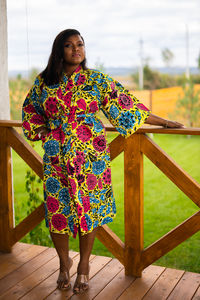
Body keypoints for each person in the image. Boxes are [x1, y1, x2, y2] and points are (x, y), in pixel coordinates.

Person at [22, 28, 184, 294]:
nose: (76, 49)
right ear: (58, 51)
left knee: (89, 210)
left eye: (80, 44)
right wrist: (39, 129)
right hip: (57, 156)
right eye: (69, 45)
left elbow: (127, 106)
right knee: (57, 211)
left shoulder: (97, 81)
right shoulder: (44, 82)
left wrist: (165, 122)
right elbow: (30, 109)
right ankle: (64, 263)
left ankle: (84, 267)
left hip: (90, 157)